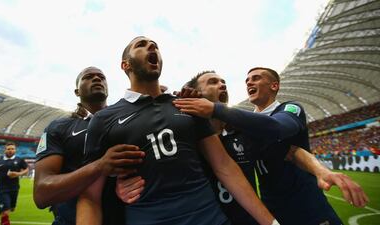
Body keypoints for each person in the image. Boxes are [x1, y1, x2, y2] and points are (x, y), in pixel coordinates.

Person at [77, 36, 278, 225]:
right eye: (141, 45)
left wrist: (271, 223)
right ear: (125, 64)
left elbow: (224, 166)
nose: (151, 47)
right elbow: (90, 196)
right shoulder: (103, 120)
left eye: (155, 45)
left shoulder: (186, 105)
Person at [173, 68, 369, 225]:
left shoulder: (285, 111)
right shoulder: (187, 131)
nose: (248, 82)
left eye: (256, 78)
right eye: (247, 80)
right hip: (267, 208)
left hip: (306, 207)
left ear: (274, 86)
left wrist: (321, 170)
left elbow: (289, 150)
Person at [33, 66, 145, 225]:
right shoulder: (59, 127)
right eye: (88, 77)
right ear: (77, 92)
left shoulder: (127, 121)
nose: (97, 79)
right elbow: (42, 194)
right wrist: (99, 166)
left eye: (101, 77)